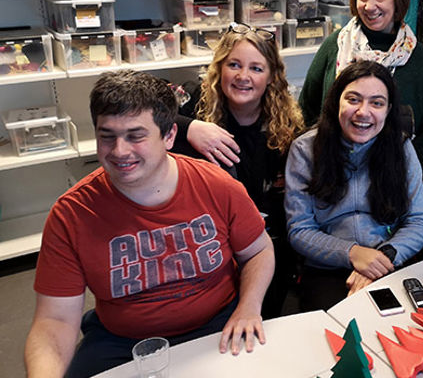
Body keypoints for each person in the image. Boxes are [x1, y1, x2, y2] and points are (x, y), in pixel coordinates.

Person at [24, 70, 275, 378]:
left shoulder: (217, 186)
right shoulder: (71, 214)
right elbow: (55, 322)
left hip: (216, 325)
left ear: (169, 136)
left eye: (135, 136)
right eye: (107, 136)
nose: (119, 151)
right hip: (120, 341)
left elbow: (259, 252)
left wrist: (248, 308)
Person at [171, 23, 304, 319]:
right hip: (211, 238)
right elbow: (145, 116)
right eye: (234, 65)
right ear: (220, 70)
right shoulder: (198, 106)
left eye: (256, 68)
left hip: (267, 240)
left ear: (271, 77)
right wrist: (191, 126)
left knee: (264, 317)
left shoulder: (286, 127)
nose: (243, 77)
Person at [285, 60, 423, 311]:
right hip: (328, 267)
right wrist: (352, 253)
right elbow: (300, 229)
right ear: (336, 102)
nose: (363, 112)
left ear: (388, 110)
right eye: (353, 99)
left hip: (390, 259)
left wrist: (382, 257)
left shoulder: (401, 147)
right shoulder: (305, 150)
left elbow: (419, 221)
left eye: (377, 103)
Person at [299, 0, 423, 170]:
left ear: (397, 0)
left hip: (395, 177)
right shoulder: (336, 45)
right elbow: (307, 108)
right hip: (333, 171)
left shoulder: (416, 57)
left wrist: (412, 170)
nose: (369, 6)